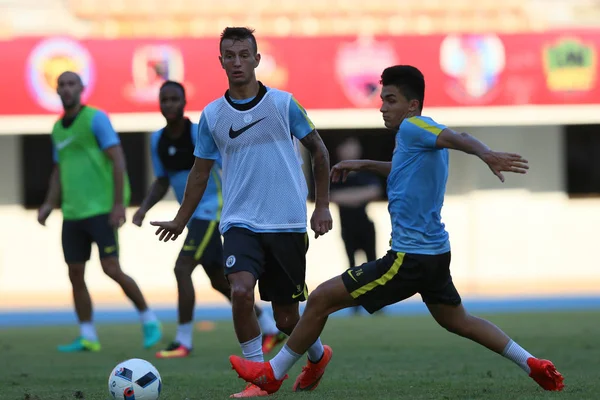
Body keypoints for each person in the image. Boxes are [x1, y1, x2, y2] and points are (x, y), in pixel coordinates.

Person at [229, 65, 565, 393]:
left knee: (320, 299)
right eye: (382, 99)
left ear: (412, 105)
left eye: (390, 100)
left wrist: (486, 154)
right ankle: (532, 362)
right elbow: (404, 167)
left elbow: (457, 137)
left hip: (409, 258)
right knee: (458, 320)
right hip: (434, 254)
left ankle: (271, 374)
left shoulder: (414, 128)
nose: (383, 107)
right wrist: (364, 164)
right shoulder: (417, 139)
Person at [150, 27, 333, 398]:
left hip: (286, 222)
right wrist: (181, 219)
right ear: (220, 62)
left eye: (243, 55)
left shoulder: (284, 104)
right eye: (229, 56)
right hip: (239, 221)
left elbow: (320, 150)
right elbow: (200, 172)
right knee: (240, 290)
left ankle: (318, 354)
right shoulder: (213, 115)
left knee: (286, 318)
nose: (237, 62)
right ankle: (259, 379)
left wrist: (323, 206)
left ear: (256, 60)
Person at [132, 80, 285, 359]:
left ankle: (183, 341)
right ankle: (270, 328)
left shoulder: (198, 132)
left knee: (182, 269)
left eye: (174, 99)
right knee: (219, 281)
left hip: (213, 213)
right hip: (193, 218)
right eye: (164, 100)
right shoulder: (157, 140)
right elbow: (162, 180)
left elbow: (225, 164)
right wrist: (143, 208)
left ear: (184, 102)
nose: (169, 105)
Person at [37, 71, 162, 352]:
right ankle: (88, 336)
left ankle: (149, 319)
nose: (67, 89)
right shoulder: (57, 129)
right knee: (75, 274)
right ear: (57, 91)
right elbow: (58, 171)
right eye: (62, 85)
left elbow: (118, 160)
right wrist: (48, 203)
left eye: (72, 84)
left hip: (101, 210)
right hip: (72, 214)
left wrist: (119, 204)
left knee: (111, 269)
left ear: (81, 88)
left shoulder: (96, 119)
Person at [330, 137, 382, 314]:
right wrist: (359, 196)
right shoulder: (335, 175)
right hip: (347, 227)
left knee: (373, 264)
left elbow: (375, 192)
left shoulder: (366, 174)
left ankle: (376, 302)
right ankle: (354, 304)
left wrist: (347, 197)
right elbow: (332, 196)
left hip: (365, 226)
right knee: (351, 266)